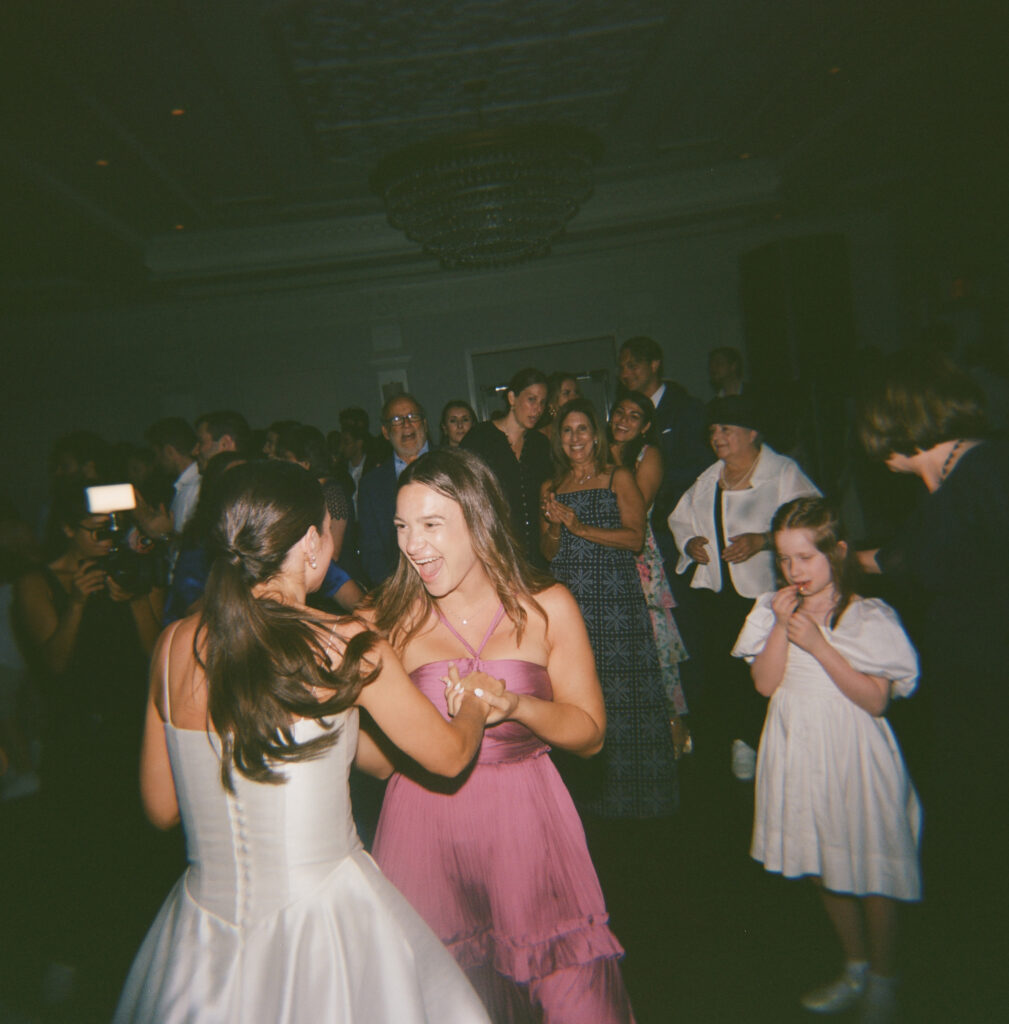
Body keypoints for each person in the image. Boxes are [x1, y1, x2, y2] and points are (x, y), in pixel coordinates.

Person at [114, 460, 494, 1024]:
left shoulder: (172, 645)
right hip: (324, 923)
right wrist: (476, 703)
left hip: (203, 929)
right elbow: (450, 755)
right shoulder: (345, 646)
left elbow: (161, 806)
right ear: (312, 544)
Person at [368, 448, 635, 1024]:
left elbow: (588, 735)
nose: (413, 545)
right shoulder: (391, 622)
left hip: (528, 825)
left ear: (479, 520)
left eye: (431, 525)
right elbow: (376, 762)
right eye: (402, 527)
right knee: (447, 1000)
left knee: (578, 998)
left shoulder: (547, 607)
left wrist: (518, 706)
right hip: (422, 830)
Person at [856, 353, 1008, 1018]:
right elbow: (910, 552)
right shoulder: (968, 474)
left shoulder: (979, 477)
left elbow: (918, 560)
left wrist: (851, 559)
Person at [733, 497, 921, 1023]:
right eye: (785, 560)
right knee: (821, 863)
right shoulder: (774, 607)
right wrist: (779, 626)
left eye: (806, 558)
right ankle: (855, 964)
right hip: (797, 745)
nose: (795, 571)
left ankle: (885, 976)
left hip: (853, 751)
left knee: (872, 864)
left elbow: (876, 700)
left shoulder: (867, 616)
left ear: (836, 553)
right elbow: (765, 684)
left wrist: (818, 644)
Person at [668, 395, 819, 782]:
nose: (717, 437)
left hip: (765, 597)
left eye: (726, 430)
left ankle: (773, 745)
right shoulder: (709, 477)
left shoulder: (782, 472)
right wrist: (690, 544)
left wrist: (764, 541)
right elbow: (679, 518)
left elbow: (813, 521)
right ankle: (741, 742)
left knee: (765, 671)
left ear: (752, 433)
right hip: (719, 596)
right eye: (713, 431)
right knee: (725, 672)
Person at [541, 398, 677, 819]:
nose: (575, 438)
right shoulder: (553, 485)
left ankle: (641, 800)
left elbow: (635, 538)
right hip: (573, 605)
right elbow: (548, 552)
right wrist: (553, 525)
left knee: (627, 696)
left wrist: (580, 526)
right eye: (567, 431)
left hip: (615, 599)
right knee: (582, 695)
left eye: (582, 429)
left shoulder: (617, 476)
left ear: (594, 435)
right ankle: (588, 800)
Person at [609, 392, 691, 757]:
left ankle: (677, 741)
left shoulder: (649, 455)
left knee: (657, 654)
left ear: (645, 426)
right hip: (606, 561)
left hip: (638, 561)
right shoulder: (598, 452)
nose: (623, 420)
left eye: (634, 415)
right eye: (619, 412)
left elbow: (633, 513)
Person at [462, 368, 552, 568]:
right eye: (531, 399)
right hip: (495, 557)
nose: (537, 409)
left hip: (536, 558)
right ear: (512, 398)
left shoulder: (540, 444)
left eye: (543, 402)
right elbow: (464, 496)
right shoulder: (480, 438)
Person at [358, 393, 430, 586]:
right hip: (400, 590)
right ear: (385, 431)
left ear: (424, 423)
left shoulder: (455, 465)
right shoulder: (371, 485)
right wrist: (396, 594)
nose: (407, 424)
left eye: (413, 417)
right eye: (397, 420)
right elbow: (371, 553)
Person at [538, 371, 580, 440]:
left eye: (576, 392)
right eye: (566, 393)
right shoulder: (540, 436)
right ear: (551, 401)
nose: (574, 397)